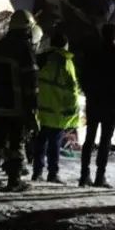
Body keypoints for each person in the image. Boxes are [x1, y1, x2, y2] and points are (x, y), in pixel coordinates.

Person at [0, 10, 39, 191]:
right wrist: (32, 107)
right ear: (27, 28)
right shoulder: (24, 48)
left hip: (0, 103)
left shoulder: (0, 45)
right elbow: (31, 81)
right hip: (18, 105)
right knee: (16, 141)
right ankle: (14, 180)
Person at [79, 23, 115, 188]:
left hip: (94, 100)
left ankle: (84, 175)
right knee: (105, 140)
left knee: (89, 138)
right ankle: (100, 176)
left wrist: (89, 93)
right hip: (111, 104)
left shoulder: (91, 55)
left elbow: (83, 77)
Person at [31, 31, 79, 183]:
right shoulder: (65, 61)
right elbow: (71, 88)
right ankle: (53, 173)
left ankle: (37, 172)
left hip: (41, 108)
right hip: (57, 110)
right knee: (55, 144)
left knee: (40, 141)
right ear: (65, 45)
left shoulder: (41, 58)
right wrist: (73, 109)